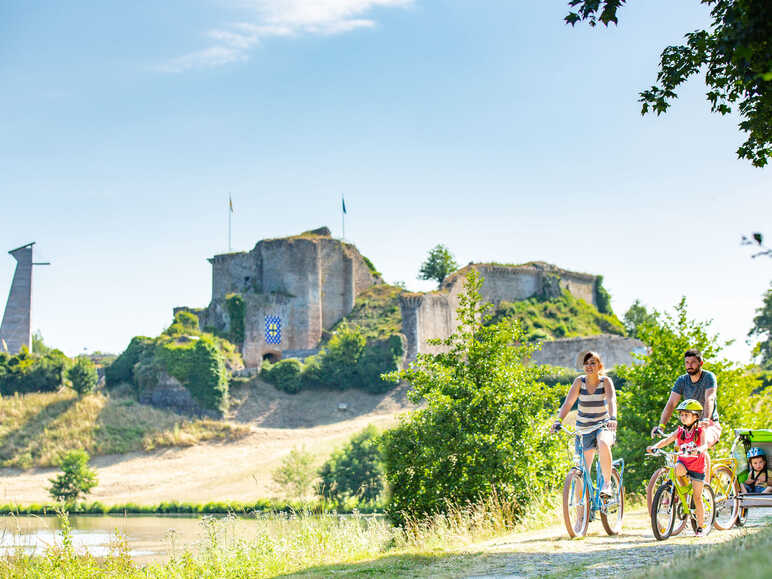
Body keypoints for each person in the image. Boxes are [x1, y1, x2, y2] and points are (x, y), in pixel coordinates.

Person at [551, 351, 618, 497]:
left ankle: (607, 484)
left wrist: (613, 418)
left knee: (603, 443)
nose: (589, 366)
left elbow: (611, 399)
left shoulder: (605, 381)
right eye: (586, 363)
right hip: (584, 429)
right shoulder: (579, 382)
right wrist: (558, 421)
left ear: (599, 366)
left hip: (603, 425)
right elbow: (568, 403)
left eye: (593, 363)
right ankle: (581, 515)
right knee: (582, 472)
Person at [650, 349, 722, 473]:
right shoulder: (682, 380)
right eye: (687, 362)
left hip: (709, 423)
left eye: (693, 362)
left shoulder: (708, 377)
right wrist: (661, 426)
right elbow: (671, 403)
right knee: (678, 447)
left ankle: (706, 486)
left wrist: (705, 419)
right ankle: (682, 487)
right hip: (689, 424)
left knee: (700, 447)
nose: (689, 365)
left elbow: (709, 398)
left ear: (701, 363)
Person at [647, 399, 709, 537]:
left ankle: (700, 527)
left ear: (695, 417)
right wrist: (655, 447)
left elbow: (705, 445)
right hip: (683, 463)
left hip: (697, 466)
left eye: (686, 414)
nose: (683, 417)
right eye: (681, 415)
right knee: (674, 470)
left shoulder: (700, 431)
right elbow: (667, 440)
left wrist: (698, 450)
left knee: (697, 498)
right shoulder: (680, 431)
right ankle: (669, 492)